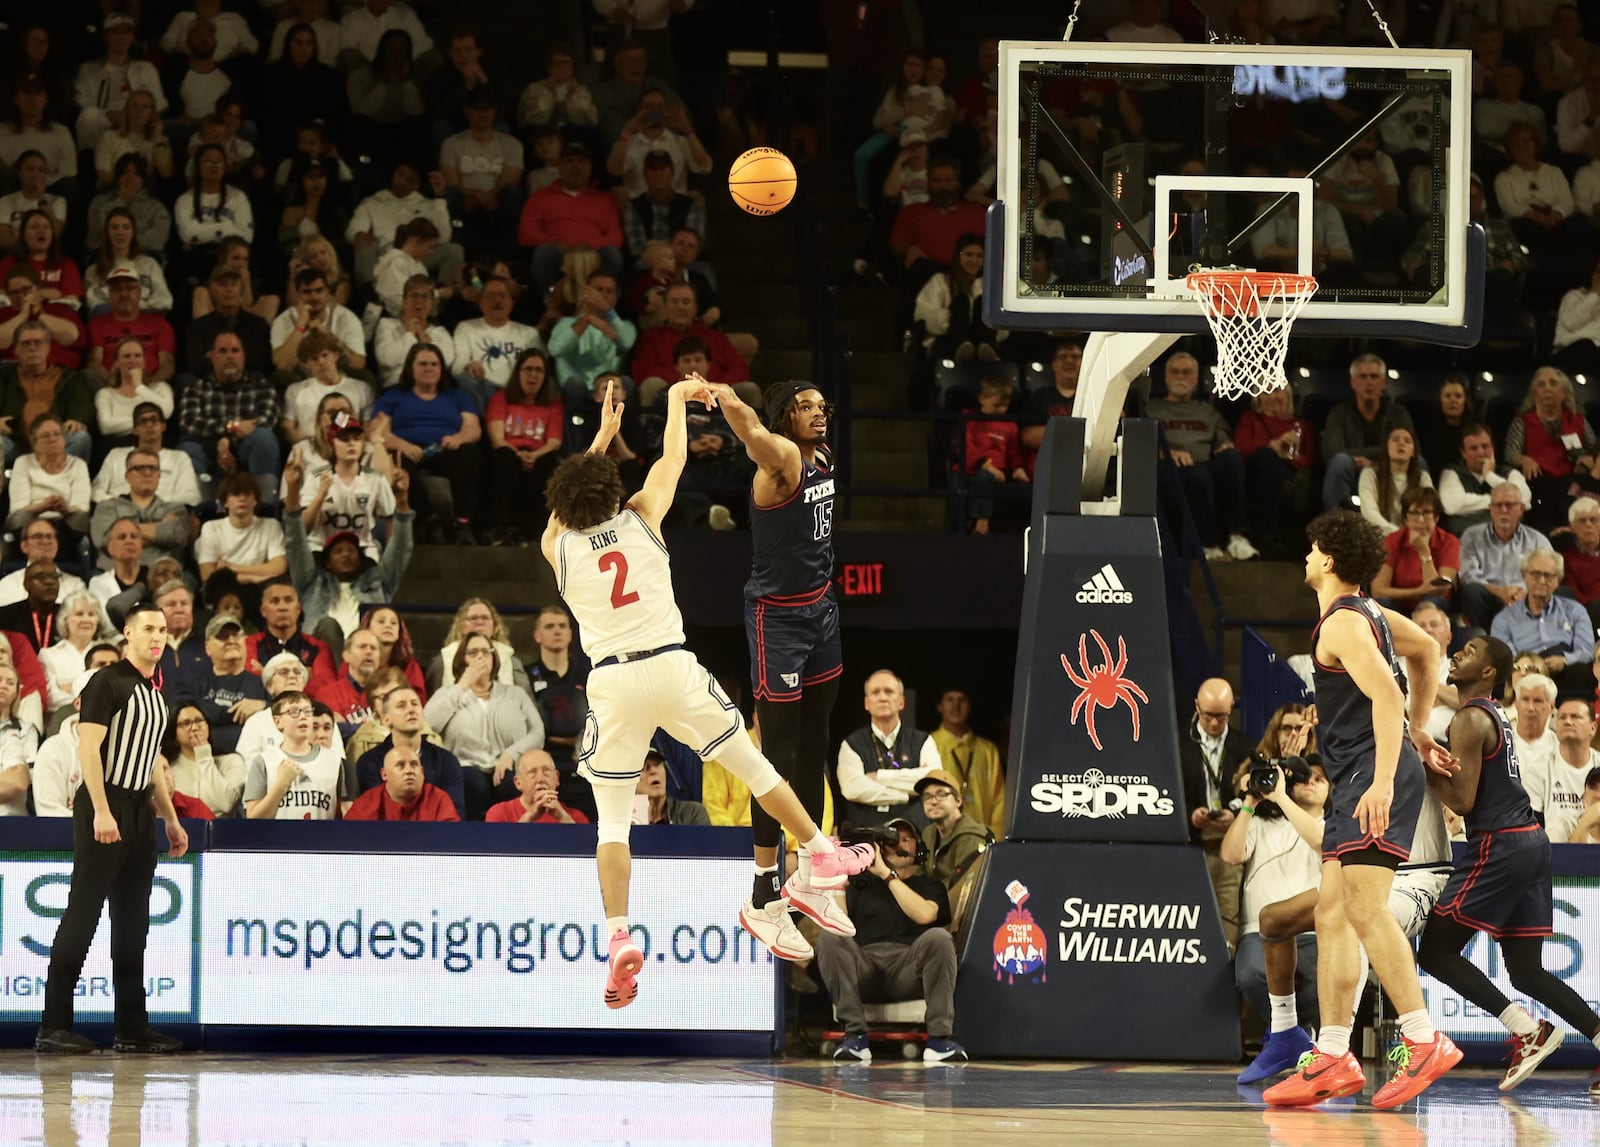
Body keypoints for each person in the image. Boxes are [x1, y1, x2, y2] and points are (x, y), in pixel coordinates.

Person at [540, 376, 871, 1004]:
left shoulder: (558, 548)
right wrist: (669, 403)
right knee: (756, 764)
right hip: (671, 666)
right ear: (616, 492)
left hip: (612, 680)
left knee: (612, 823)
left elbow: (564, 511)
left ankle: (617, 935)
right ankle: (820, 851)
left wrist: (600, 438)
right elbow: (673, 458)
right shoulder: (642, 516)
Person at [1264, 511, 1460, 1109]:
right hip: (1365, 769)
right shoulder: (1368, 612)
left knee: (1365, 908)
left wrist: (1384, 772)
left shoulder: (1343, 625)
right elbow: (1427, 652)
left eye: (1310, 547)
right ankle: (1331, 1053)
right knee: (1330, 913)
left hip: (1368, 776)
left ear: (1327, 559)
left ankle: (1423, 1039)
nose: (1305, 555)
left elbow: (1389, 692)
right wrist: (1419, 732)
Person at [1417, 636, 1600, 1095]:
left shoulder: (1471, 716)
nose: (1458, 652)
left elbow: (1462, 800)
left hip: (1499, 844)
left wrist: (1420, 765)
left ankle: (1527, 1030)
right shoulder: (1495, 715)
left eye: (1472, 650)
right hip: (1531, 841)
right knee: (1526, 971)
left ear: (1488, 672)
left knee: (1435, 951)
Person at [34, 605, 186, 1056]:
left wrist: (171, 818)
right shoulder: (107, 681)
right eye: (149, 629)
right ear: (128, 634)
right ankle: (54, 1024)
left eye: (162, 630)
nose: (157, 636)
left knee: (133, 921)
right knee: (83, 913)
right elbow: (88, 747)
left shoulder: (155, 693)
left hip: (140, 810)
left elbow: (152, 762)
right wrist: (101, 810)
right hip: (107, 803)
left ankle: (132, 1027)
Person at [815, 818, 967, 1064]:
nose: (898, 844)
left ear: (918, 847)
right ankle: (855, 1036)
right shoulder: (860, 886)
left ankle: (939, 1040)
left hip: (908, 969)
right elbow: (839, 924)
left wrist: (887, 875)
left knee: (939, 937)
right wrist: (838, 879)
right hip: (864, 967)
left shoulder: (929, 885)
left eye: (906, 839)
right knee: (830, 935)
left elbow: (925, 914)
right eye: (892, 839)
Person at [283, 458, 414, 639]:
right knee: (328, 626)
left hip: (367, 653)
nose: (346, 554)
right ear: (327, 563)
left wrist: (402, 501)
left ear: (361, 560)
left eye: (352, 550)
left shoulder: (378, 582)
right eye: (338, 551)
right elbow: (295, 543)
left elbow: (400, 549)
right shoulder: (312, 583)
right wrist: (292, 492)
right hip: (321, 656)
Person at [424, 632, 545, 819]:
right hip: (465, 769)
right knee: (472, 783)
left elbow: (538, 732)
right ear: (462, 659)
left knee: (512, 783)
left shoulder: (515, 693)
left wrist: (511, 754)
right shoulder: (448, 693)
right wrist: (463, 684)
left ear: (494, 658)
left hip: (509, 765)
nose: (480, 656)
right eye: (473, 653)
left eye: (485, 652)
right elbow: (428, 723)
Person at [1150, 353, 1258, 561]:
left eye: (1187, 372)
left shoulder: (1208, 411)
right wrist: (1166, 453)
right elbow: (1139, 446)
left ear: (1196, 377)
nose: (1181, 376)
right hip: (1169, 470)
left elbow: (1222, 438)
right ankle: (1208, 545)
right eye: (1175, 372)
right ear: (1165, 377)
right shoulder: (1152, 409)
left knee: (1233, 459)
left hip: (1204, 464)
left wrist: (1224, 444)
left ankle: (1238, 537)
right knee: (1198, 477)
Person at [1178, 676, 1251, 948]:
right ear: (1197, 706)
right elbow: (1169, 793)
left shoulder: (1245, 746)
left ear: (1231, 709)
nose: (1214, 724)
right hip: (1192, 846)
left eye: (1222, 717)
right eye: (1208, 716)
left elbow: (1252, 794)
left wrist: (1238, 813)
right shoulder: (1178, 744)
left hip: (1229, 849)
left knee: (1228, 924)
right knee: (1188, 918)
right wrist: (1190, 815)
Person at [178, 330, 284, 503]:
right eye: (222, 351)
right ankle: (199, 512)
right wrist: (230, 427)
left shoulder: (261, 386)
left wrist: (227, 440)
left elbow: (267, 420)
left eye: (235, 351)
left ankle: (265, 509)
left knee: (264, 437)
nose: (229, 356)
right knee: (188, 449)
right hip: (209, 451)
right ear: (211, 356)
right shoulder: (197, 389)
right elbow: (189, 423)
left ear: (243, 355)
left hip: (246, 450)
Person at [836, 669, 942, 830]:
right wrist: (906, 795)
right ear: (866, 703)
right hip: (864, 836)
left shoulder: (923, 740)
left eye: (889, 691)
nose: (883, 698)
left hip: (915, 834)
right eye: (875, 692)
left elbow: (932, 779)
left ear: (901, 702)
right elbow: (852, 788)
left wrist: (879, 777)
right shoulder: (851, 744)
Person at [1321, 354, 1416, 512]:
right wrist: (1384, 452)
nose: (1369, 382)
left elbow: (1413, 448)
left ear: (1383, 382)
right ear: (1353, 382)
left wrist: (1374, 464)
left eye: (1374, 377)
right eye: (1363, 377)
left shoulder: (1398, 413)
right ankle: (1335, 525)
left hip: (1388, 471)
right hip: (1351, 473)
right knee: (1340, 462)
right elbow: (1331, 453)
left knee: (1419, 462)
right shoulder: (1338, 413)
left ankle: (1415, 521)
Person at [352, 684, 465, 816]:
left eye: (415, 704)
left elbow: (455, 818)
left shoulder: (446, 761)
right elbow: (375, 811)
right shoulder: (370, 762)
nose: (411, 710)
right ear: (386, 718)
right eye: (401, 705)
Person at [1490, 550, 1594, 693]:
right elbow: (1505, 657)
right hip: (1526, 671)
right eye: (1535, 574)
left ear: (1558, 580)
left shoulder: (1575, 610)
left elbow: (1587, 650)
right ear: (1524, 576)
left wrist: (1564, 661)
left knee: (1581, 672)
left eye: (1549, 575)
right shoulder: (1503, 619)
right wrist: (1532, 665)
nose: (1542, 581)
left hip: (1565, 670)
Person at [1457, 485, 1554, 631]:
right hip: (1487, 595)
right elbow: (1467, 575)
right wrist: (1500, 592)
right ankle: (1482, 643)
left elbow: (1549, 572)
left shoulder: (1537, 540)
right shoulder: (1471, 536)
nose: (1503, 510)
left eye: (1509, 505)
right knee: (1472, 592)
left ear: (1521, 509)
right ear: (1490, 509)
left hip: (1525, 596)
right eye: (1498, 505)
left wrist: (1524, 593)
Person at [171, 614, 271, 756]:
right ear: (207, 648)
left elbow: (284, 714)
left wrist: (264, 707)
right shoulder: (189, 686)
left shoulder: (265, 685)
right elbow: (184, 717)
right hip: (201, 762)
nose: (231, 641)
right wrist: (241, 713)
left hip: (253, 762)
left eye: (237, 636)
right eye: (222, 636)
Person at [243, 691, 343, 819]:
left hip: (320, 838)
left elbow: (343, 815)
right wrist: (280, 785)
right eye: (294, 712)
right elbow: (253, 820)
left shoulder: (334, 761)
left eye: (307, 711)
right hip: (278, 838)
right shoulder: (264, 761)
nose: (303, 717)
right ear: (278, 722)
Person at [928, 687, 1005, 837]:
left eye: (962, 700)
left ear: (969, 706)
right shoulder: (929, 744)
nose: (956, 706)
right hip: (941, 838)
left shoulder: (988, 750)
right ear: (940, 706)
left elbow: (1000, 800)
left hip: (982, 838)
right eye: (950, 699)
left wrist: (994, 835)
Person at [1522, 695, 1599, 845]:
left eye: (1575, 717)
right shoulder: (1538, 769)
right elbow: (1530, 827)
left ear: (1593, 728)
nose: (1568, 722)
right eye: (1562, 717)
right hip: (1553, 845)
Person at [1370, 487, 1460, 613]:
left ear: (1436, 517)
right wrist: (1417, 592)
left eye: (1427, 512)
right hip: (1398, 604)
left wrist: (1424, 552)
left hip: (1435, 603)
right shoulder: (1392, 541)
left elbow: (1438, 591)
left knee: (1430, 603)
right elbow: (1378, 591)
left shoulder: (1450, 542)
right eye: (1414, 513)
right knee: (1381, 604)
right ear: (1405, 519)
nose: (1421, 520)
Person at [1438, 423, 1532, 538]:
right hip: (1464, 540)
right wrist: (1500, 502)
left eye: (1485, 446)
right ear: (1463, 453)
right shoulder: (1451, 472)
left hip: (1507, 540)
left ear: (1492, 448)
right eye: (1474, 448)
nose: (1481, 453)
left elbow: (1524, 501)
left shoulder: (1510, 472)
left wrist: (1489, 476)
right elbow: (1451, 505)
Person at [913, 768, 992, 888]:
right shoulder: (928, 833)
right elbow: (920, 872)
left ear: (958, 800)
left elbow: (963, 886)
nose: (933, 802)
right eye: (927, 797)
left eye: (941, 795)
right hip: (932, 901)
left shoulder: (971, 837)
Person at [164, 701, 246, 817]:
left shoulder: (232, 761)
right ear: (175, 736)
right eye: (186, 723)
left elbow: (226, 804)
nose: (194, 728)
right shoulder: (169, 769)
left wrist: (204, 754)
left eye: (199, 721)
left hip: (221, 829)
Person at [345, 743, 460, 821]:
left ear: (423, 773)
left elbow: (452, 842)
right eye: (401, 765)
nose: (409, 771)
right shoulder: (366, 804)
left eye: (414, 765)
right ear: (384, 774)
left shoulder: (439, 800)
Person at [485, 749, 589, 823]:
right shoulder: (500, 814)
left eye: (546, 771)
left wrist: (563, 818)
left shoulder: (576, 817)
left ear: (556, 778)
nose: (540, 779)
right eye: (532, 773)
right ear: (518, 783)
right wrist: (528, 817)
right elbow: (499, 850)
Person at [636, 747, 710, 824]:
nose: (654, 771)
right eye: (645, 767)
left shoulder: (693, 813)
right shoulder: (623, 818)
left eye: (658, 765)